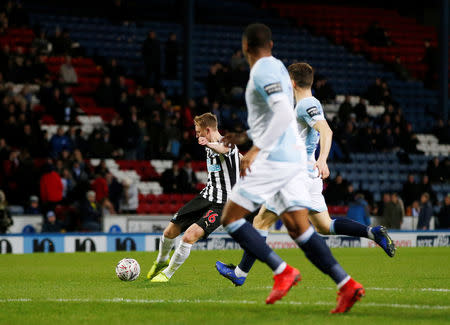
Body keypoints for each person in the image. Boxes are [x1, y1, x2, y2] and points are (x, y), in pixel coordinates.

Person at [216, 24, 364, 312]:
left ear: (245, 47)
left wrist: (255, 151)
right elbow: (276, 114)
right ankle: (346, 284)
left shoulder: (262, 70)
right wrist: (247, 138)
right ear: (271, 44)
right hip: (294, 159)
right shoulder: (279, 72)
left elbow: (284, 113)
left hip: (278, 159)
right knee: (300, 228)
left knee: (231, 218)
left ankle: (281, 270)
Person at [148, 113, 240, 283]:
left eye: (198, 132)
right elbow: (237, 157)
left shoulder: (226, 142)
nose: (197, 135)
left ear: (208, 130)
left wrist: (210, 144)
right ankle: (161, 261)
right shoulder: (209, 145)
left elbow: (224, 149)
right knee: (169, 231)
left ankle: (166, 274)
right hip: (206, 196)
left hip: (223, 204)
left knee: (189, 236)